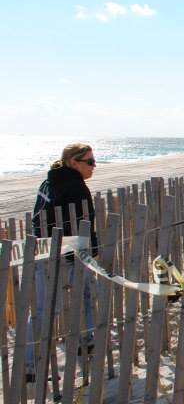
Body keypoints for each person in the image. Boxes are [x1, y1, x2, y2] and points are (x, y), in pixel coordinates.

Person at [27, 143, 99, 381]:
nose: (94, 166)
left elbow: (38, 218)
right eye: (89, 162)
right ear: (73, 162)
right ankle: (85, 340)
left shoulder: (48, 182)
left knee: (45, 309)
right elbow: (85, 222)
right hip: (69, 256)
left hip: (45, 252)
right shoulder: (76, 187)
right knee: (81, 298)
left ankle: (29, 363)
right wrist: (92, 250)